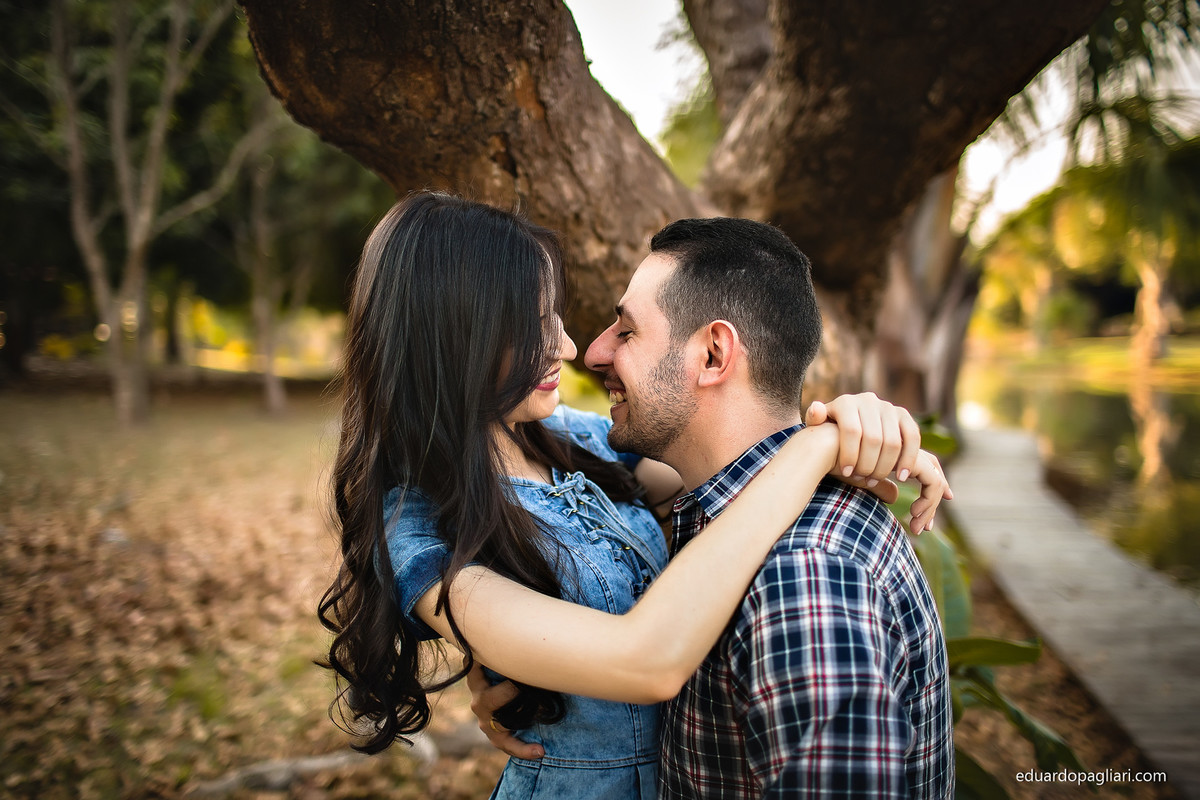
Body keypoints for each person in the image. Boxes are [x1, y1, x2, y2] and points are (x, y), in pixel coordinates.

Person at [322, 191, 950, 800]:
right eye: (540, 324)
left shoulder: (570, 442)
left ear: (713, 352)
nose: (573, 349)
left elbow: (717, 474)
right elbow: (645, 657)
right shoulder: (419, 530)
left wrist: (853, 430)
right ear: (459, 334)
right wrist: (814, 448)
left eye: (618, 329)